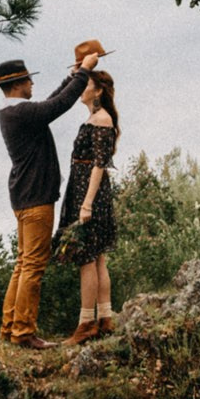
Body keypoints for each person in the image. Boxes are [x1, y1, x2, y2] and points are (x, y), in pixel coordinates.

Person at [0, 43, 100, 348]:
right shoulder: (23, 113)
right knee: (34, 265)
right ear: (17, 84)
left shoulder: (14, 112)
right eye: (28, 80)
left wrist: (71, 77)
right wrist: (84, 72)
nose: (32, 84)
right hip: (36, 198)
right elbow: (57, 106)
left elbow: (52, 101)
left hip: (24, 196)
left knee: (23, 262)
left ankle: (9, 327)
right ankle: (24, 333)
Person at [62, 60, 120, 345]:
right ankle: (105, 318)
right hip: (85, 189)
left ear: (97, 91)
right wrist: (78, 70)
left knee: (87, 258)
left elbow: (99, 164)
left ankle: (86, 324)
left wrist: (86, 204)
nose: (80, 90)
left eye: (85, 85)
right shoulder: (96, 117)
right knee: (96, 258)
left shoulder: (102, 119)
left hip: (90, 193)